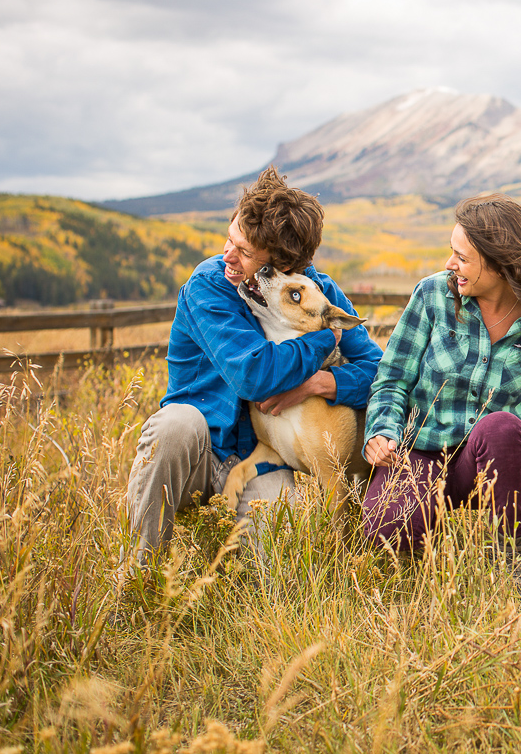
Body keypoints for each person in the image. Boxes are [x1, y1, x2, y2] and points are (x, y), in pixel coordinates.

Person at [126, 167, 383, 567]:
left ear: (282, 266)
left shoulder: (316, 292)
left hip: (260, 457)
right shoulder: (208, 285)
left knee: (283, 560)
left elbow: (378, 370)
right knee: (173, 426)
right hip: (202, 449)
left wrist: (321, 383)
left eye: (244, 253)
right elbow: (253, 376)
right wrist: (323, 339)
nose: (228, 256)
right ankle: (141, 573)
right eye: (230, 239)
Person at [362, 194, 521, 557]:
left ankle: (508, 556)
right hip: (420, 452)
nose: (450, 263)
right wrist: (382, 431)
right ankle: (433, 541)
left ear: (500, 265)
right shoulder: (433, 295)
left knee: (504, 426)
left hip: (491, 462)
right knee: (387, 531)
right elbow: (392, 380)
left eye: (463, 257)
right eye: (451, 251)